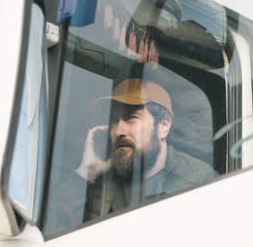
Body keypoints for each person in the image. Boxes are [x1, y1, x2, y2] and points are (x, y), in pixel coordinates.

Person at [57, 78, 215, 226]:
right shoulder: (105, 180)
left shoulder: (199, 180)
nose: (118, 131)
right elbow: (59, 226)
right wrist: (87, 172)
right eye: (113, 120)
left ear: (163, 126)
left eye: (131, 118)